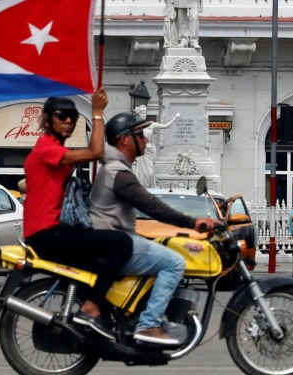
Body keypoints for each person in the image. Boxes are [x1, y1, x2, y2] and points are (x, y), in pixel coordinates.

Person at [90, 112, 220, 346]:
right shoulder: (117, 172)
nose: (147, 140)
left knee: (163, 251)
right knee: (174, 262)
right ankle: (149, 324)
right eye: (140, 134)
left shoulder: (116, 168)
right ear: (125, 140)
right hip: (114, 243)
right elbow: (151, 206)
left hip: (114, 239)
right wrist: (192, 222)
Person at [23, 91, 132, 339]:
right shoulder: (47, 149)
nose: (69, 121)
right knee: (121, 243)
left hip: (53, 229)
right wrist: (96, 113)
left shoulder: (53, 149)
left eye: (73, 116)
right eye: (63, 116)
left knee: (101, 269)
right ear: (48, 120)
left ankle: (99, 318)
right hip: (47, 232)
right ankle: (91, 309)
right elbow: (95, 152)